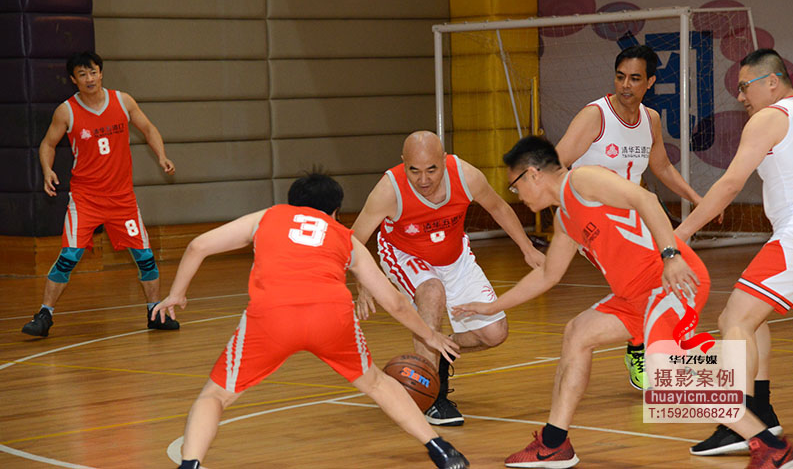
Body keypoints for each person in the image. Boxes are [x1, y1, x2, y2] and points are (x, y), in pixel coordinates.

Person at [151, 173, 469, 469]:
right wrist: (430, 335)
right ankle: (441, 450)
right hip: (330, 316)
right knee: (376, 383)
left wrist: (176, 294)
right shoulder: (344, 236)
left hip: (273, 316)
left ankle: (190, 464)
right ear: (335, 211)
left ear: (292, 203)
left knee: (215, 395)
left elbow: (198, 246)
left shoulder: (267, 217)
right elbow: (394, 302)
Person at [452, 135, 710, 468]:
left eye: (515, 186)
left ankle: (761, 438)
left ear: (533, 174)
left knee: (674, 377)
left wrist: (671, 256)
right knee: (578, 333)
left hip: (668, 282)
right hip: (634, 296)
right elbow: (548, 275)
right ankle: (554, 443)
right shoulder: (564, 219)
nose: (517, 195)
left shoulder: (584, 180)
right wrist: (492, 307)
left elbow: (645, 198)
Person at [351, 130, 544, 427]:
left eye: (432, 169)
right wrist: (363, 284)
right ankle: (432, 397)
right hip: (405, 255)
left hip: (456, 257)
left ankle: (437, 352)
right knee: (432, 291)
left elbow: (498, 207)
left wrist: (527, 248)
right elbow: (354, 239)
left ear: (444, 160)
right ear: (403, 162)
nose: (423, 180)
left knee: (494, 333)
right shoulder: (389, 190)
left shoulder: (466, 176)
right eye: (414, 170)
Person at [556, 44, 718, 390]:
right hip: (597, 222)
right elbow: (556, 164)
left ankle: (648, 346)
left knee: (660, 279)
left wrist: (695, 197)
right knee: (643, 282)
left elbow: (662, 166)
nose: (625, 85)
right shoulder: (595, 116)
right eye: (620, 77)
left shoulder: (650, 119)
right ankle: (642, 350)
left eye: (634, 78)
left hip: (635, 219)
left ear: (650, 82)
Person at [675, 48, 793, 467]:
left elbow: (729, 184)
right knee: (751, 318)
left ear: (772, 82)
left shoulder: (769, 118)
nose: (741, 96)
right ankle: (761, 413)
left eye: (744, 86)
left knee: (734, 320)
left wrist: (681, 234)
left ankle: (742, 425)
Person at [21, 51, 178, 337]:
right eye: (82, 74)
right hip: (86, 199)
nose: (89, 78)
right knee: (70, 255)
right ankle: (44, 315)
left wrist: (162, 156)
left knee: (145, 256)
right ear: (74, 80)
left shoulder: (123, 101)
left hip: (122, 199)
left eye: (93, 72)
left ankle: (155, 313)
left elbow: (147, 128)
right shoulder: (66, 111)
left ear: (101, 73)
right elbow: (48, 144)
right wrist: (47, 170)